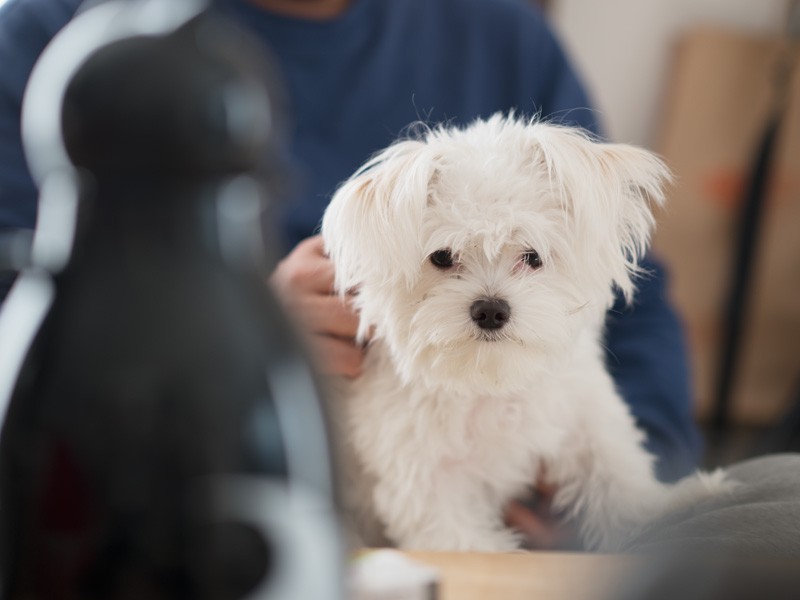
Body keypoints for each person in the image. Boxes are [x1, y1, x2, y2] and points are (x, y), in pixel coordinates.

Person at [0, 0, 701, 547]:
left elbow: (632, 305)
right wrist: (232, 337)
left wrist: (626, 507)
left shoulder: (506, 38)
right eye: (446, 257)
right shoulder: (51, 39)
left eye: (526, 258)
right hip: (161, 517)